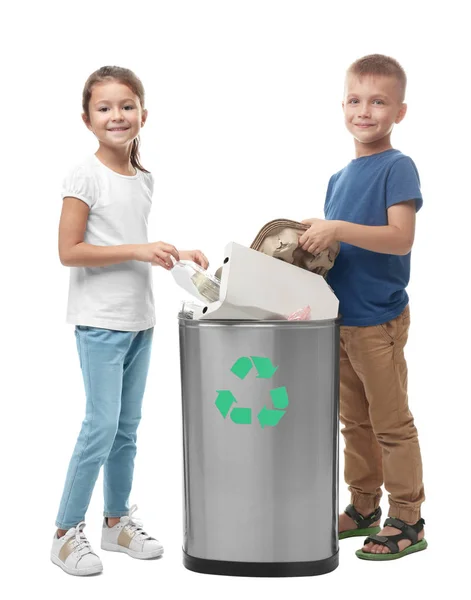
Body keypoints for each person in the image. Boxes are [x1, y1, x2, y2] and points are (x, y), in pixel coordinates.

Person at [51, 66, 209, 576]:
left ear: (143, 114)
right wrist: (139, 249)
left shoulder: (142, 179)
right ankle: (64, 532)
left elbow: (127, 240)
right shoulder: (84, 175)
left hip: (141, 320)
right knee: (99, 427)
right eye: (104, 108)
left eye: (126, 106)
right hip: (100, 322)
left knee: (126, 430)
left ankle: (116, 522)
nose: (116, 115)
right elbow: (69, 252)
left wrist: (174, 252)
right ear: (87, 119)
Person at [299, 54, 427, 561]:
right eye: (355, 100)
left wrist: (338, 229)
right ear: (343, 106)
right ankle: (365, 506)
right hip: (342, 322)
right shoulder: (338, 178)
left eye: (378, 101)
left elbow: (399, 239)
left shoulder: (398, 167)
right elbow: (340, 253)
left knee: (391, 424)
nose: (365, 110)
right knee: (354, 423)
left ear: (400, 111)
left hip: (378, 322)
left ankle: (408, 519)